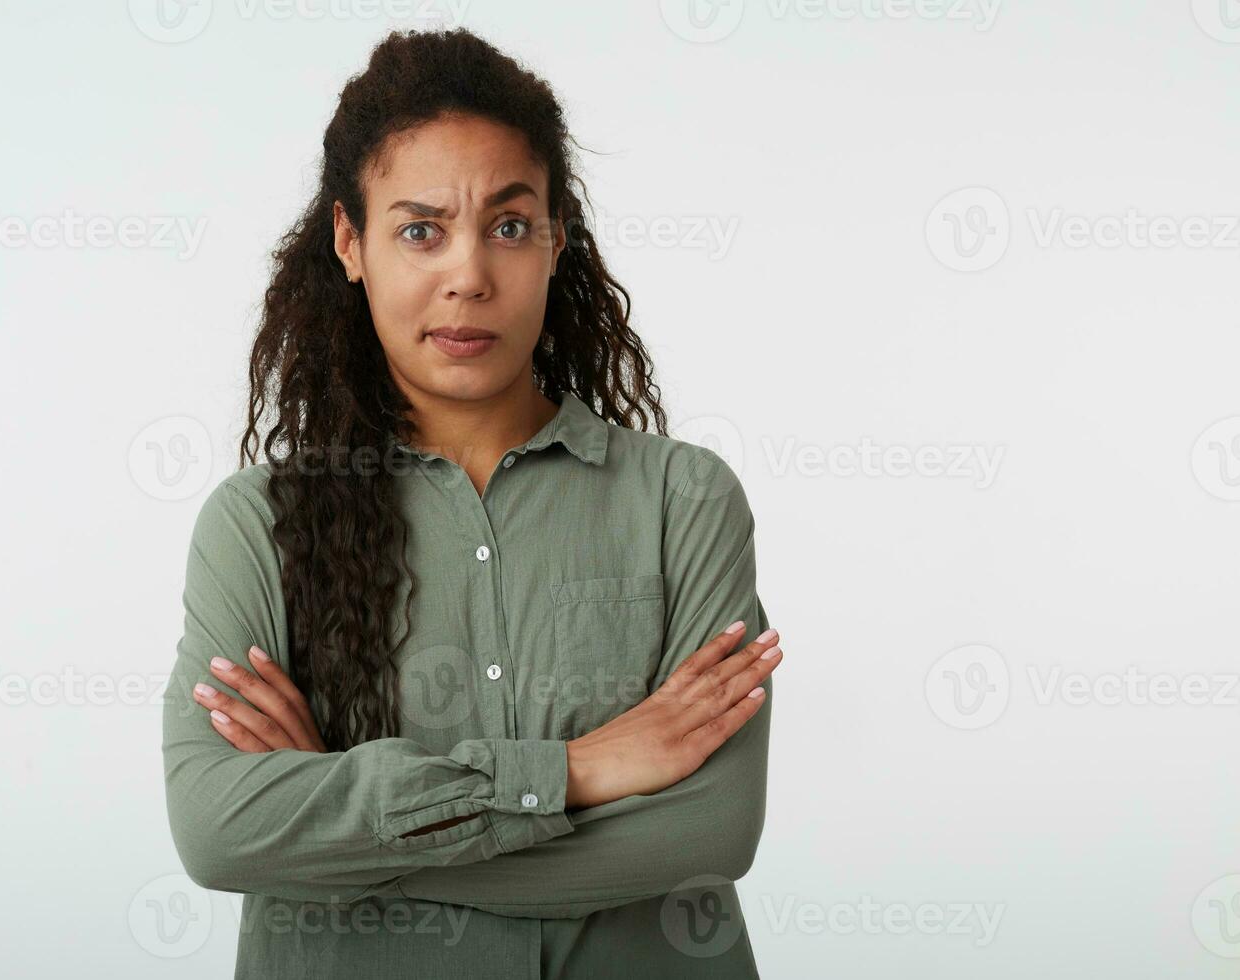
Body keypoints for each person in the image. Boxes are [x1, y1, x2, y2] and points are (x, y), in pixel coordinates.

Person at [162, 26, 784, 979]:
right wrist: (578, 773)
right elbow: (217, 831)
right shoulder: (257, 526)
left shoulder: (683, 501)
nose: (469, 276)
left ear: (555, 238)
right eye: (420, 230)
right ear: (350, 242)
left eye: (507, 224)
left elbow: (708, 831)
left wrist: (340, 851)